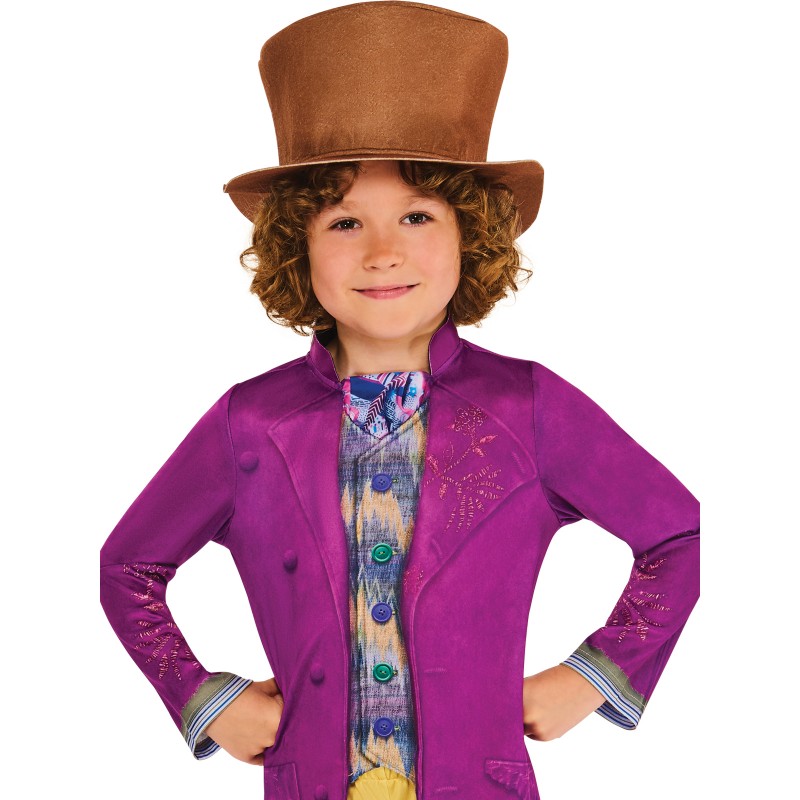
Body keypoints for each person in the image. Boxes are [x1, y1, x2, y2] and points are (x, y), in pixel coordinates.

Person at [99, 3, 700, 800]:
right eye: (345, 222)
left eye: (417, 216)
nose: (384, 252)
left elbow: (681, 533)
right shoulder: (250, 423)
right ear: (296, 245)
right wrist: (208, 699)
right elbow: (128, 567)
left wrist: (593, 674)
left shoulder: (528, 407)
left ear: (470, 235)